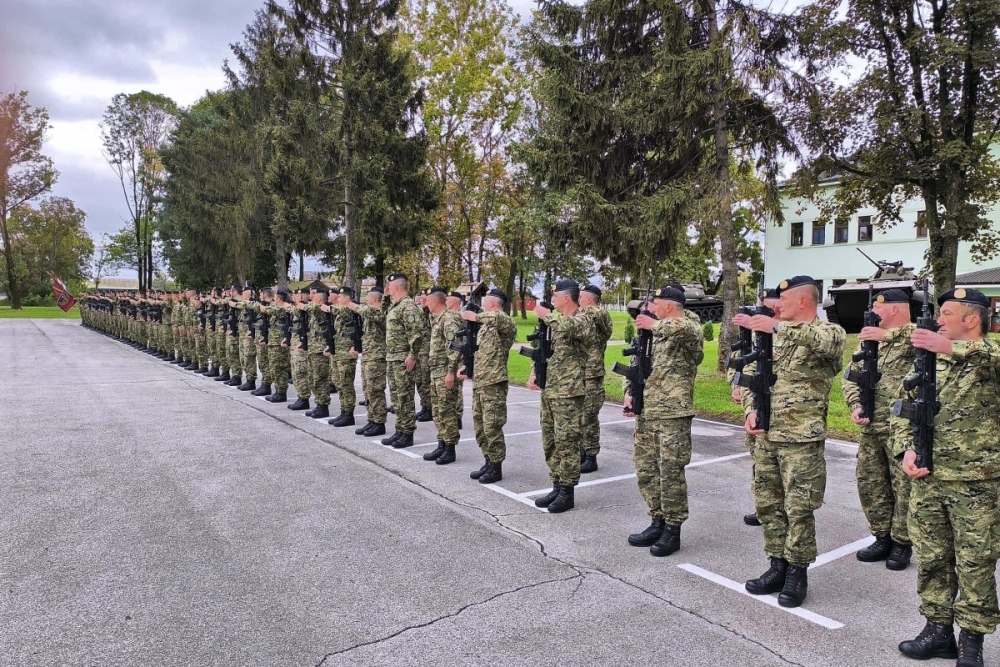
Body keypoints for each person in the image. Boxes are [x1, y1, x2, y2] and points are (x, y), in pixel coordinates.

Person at [893, 288, 1000, 667]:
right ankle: (938, 631)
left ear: (971, 319)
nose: (939, 319)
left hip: (975, 483)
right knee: (933, 559)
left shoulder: (988, 359)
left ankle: (972, 641)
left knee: (975, 562)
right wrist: (905, 448)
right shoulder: (927, 362)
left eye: (948, 312)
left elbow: (993, 353)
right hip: (927, 479)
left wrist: (949, 348)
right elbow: (901, 410)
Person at [733, 275, 845, 608]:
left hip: (801, 439)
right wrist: (752, 410)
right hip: (767, 434)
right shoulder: (773, 336)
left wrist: (776, 327)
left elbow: (828, 346)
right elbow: (756, 378)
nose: (777, 305)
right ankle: (776, 564)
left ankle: (797, 571)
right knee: (769, 504)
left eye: (783, 300)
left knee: (799, 509)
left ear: (803, 301)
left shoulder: (828, 331)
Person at [625, 286, 704, 556]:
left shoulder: (687, 325)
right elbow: (637, 361)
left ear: (669, 306)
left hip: (672, 412)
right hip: (647, 411)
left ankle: (673, 529)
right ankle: (656, 520)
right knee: (647, 470)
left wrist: (654, 324)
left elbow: (686, 330)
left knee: (670, 472)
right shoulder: (652, 330)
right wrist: (629, 394)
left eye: (655, 302)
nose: (650, 306)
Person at [841, 288, 917, 569]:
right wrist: (854, 405)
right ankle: (882, 536)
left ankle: (901, 543)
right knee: (871, 485)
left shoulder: (914, 337)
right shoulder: (869, 343)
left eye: (877, 307)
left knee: (904, 489)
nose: (872, 312)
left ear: (895, 309)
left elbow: (931, 341)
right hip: (871, 428)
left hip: (902, 431)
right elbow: (849, 377)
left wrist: (886, 336)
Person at [527, 279, 593, 513]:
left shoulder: (583, 318)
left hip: (569, 391)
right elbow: (543, 350)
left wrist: (547, 315)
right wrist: (535, 373)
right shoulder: (553, 321)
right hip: (550, 388)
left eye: (556, 296)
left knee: (567, 441)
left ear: (566, 297)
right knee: (550, 440)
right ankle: (557, 483)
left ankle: (567, 491)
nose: (553, 300)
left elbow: (572, 329)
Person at [729, 288, 780, 528]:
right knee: (758, 461)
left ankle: (778, 509)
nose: (769, 313)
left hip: (782, 414)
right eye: (765, 308)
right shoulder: (753, 334)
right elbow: (739, 360)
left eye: (772, 309)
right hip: (755, 405)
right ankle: (763, 505)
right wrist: (736, 384)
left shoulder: (784, 334)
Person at [462, 288, 517, 484]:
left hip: (494, 382)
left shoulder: (503, 321)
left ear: (492, 304)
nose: (483, 304)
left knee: (492, 425)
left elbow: (498, 319)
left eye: (485, 301)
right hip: (480, 380)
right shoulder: (486, 325)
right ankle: (487, 460)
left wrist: (475, 316)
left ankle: (496, 466)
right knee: (480, 426)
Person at [381, 274, 426, 449]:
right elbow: (382, 314)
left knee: (405, 396)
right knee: (396, 397)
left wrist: (413, 355)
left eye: (389, 285)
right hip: (392, 358)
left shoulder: (408, 307)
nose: (388, 288)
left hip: (403, 358)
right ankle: (400, 430)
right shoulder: (395, 306)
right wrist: (385, 297)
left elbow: (416, 334)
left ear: (397, 287)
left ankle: (407, 433)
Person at [422, 287, 464, 465]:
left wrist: (450, 372)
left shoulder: (447, 320)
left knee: (447, 411)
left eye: (428, 301)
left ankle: (450, 449)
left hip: (444, 373)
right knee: (438, 411)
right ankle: (441, 443)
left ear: (435, 301)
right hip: (436, 372)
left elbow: (454, 347)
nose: (425, 303)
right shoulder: (437, 319)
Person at [579, 284, 613, 474]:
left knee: (589, 417)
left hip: (592, 374)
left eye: (581, 297)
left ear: (590, 299)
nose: (578, 300)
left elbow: (596, 315)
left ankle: (591, 456)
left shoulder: (600, 314)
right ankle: (581, 452)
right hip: (578, 373)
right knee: (577, 417)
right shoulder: (581, 316)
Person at [348, 286, 388, 436]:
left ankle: (379, 423)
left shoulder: (380, 312)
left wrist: (353, 305)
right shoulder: (369, 314)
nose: (366, 300)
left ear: (375, 299)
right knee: (368, 390)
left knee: (376, 390)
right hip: (368, 357)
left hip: (377, 358)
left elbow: (372, 314)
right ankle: (371, 420)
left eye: (368, 297)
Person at [327, 287, 360, 427]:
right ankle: (343, 411)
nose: (337, 299)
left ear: (347, 298)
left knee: (346, 384)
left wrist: (323, 306)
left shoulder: (349, 310)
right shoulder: (341, 311)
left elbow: (332, 309)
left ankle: (349, 414)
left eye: (340, 297)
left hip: (347, 353)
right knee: (339, 383)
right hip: (338, 352)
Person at [303, 287, 332, 419]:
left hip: (320, 350)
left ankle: (323, 406)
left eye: (314, 297)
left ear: (319, 299)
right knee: (312, 378)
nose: (311, 298)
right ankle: (319, 404)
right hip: (313, 348)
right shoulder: (316, 310)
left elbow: (310, 307)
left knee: (320, 379)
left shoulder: (321, 309)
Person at [264, 288, 293, 403]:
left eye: (275, 298)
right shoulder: (278, 307)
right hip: (274, 342)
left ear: (279, 299)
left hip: (279, 342)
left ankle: (281, 392)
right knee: (274, 368)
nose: (273, 300)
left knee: (279, 368)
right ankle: (278, 391)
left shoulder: (281, 308)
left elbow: (264, 309)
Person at [288, 289, 312, 411]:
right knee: (296, 373)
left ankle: (304, 398)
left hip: (302, 346)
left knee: (301, 373)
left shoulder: (307, 309)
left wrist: (303, 342)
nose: (293, 296)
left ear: (302, 296)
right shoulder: (298, 308)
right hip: (295, 344)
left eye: (296, 294)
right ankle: (300, 397)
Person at [446, 291, 467, 429]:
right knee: (454, 389)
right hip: (456, 357)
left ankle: (457, 417)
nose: (446, 301)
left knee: (456, 389)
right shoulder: (456, 317)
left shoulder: (456, 318)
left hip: (458, 358)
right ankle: (455, 416)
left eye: (448, 299)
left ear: (454, 302)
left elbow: (454, 344)